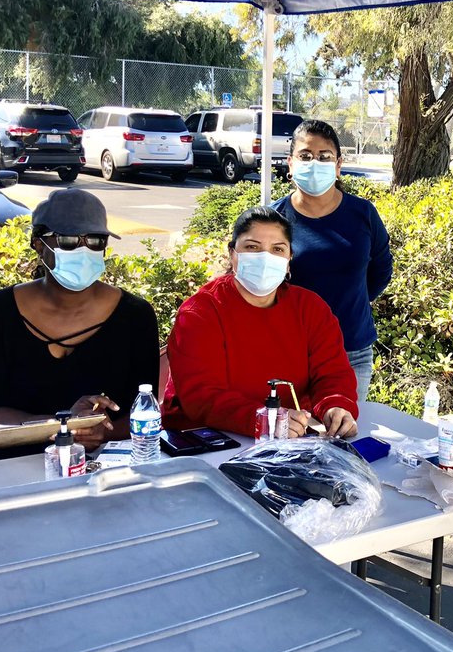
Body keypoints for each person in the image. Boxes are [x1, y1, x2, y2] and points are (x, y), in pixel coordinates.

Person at [0, 189, 159, 455]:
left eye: (95, 240)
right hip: (11, 461)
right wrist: (63, 425)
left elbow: (142, 410)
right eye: (68, 240)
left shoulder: (136, 316)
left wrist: (101, 431)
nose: (84, 249)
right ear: (38, 244)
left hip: (102, 461)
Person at [164, 205, 358, 438]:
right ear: (232, 254)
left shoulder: (311, 308)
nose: (265, 258)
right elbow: (202, 396)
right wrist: (264, 419)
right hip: (205, 440)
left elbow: (332, 375)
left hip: (292, 441)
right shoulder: (201, 312)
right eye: (252, 247)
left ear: (289, 260)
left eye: (277, 249)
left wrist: (336, 406)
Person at [271, 118, 392, 401]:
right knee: (291, 437)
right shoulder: (274, 219)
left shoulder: (363, 213)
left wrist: (352, 298)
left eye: (325, 156)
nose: (314, 162)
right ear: (290, 164)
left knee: (344, 433)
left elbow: (381, 269)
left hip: (352, 352)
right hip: (292, 352)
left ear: (338, 166)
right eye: (305, 156)